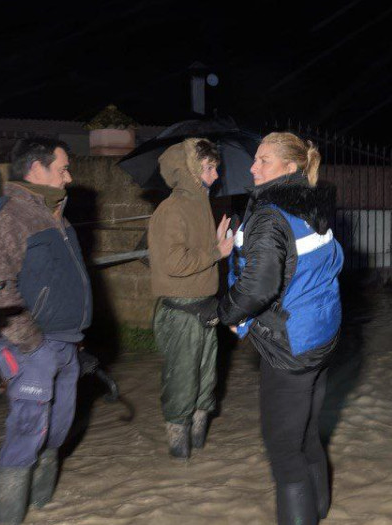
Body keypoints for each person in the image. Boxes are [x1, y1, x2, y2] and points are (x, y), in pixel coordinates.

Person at [218, 132, 343, 525]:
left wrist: (220, 312)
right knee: (307, 437)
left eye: (264, 160)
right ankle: (319, 511)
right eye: (255, 159)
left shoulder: (271, 214)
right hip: (321, 336)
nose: (253, 167)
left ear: (289, 167)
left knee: (284, 451)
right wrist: (231, 252)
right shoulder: (311, 206)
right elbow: (297, 265)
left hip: (290, 346)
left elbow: (258, 287)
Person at [0, 137, 92, 524]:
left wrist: (77, 330)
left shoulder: (57, 216)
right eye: (63, 168)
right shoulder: (4, 217)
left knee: (59, 427)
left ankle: (43, 508)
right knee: (28, 428)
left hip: (67, 342)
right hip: (30, 343)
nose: (69, 177)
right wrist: (31, 343)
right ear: (36, 168)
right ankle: (8, 515)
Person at [147, 138, 234, 458]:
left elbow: (198, 254)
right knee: (182, 383)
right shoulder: (172, 209)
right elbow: (173, 263)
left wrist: (214, 244)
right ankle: (178, 456)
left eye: (216, 168)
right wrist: (216, 251)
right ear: (191, 170)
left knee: (204, 383)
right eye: (210, 168)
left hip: (203, 307)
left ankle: (197, 466)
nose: (216, 175)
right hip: (180, 311)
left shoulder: (199, 205)